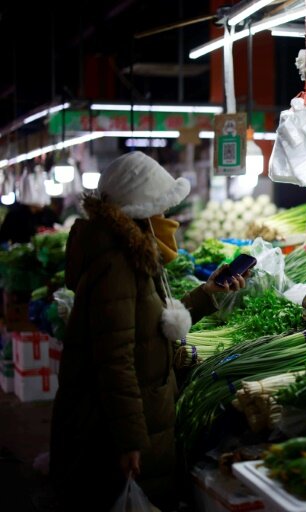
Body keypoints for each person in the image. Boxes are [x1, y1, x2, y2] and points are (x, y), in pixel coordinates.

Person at [49, 152, 247, 511]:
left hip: (139, 415)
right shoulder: (118, 264)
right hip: (114, 431)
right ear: (142, 211)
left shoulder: (132, 255)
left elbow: (148, 326)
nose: (168, 218)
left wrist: (206, 294)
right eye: (162, 210)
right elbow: (115, 361)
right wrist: (129, 441)